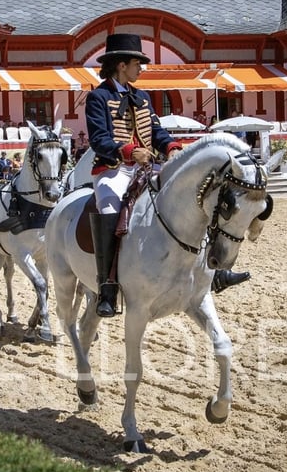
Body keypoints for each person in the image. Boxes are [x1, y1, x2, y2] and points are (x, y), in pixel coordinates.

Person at [86, 33, 249, 317]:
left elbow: (157, 133)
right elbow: (99, 139)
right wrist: (127, 151)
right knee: (110, 208)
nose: (142, 69)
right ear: (121, 65)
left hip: (148, 167)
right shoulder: (98, 97)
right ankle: (107, 287)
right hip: (114, 170)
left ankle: (216, 271)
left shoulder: (142, 97)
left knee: (195, 199)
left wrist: (172, 148)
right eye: (138, 63)